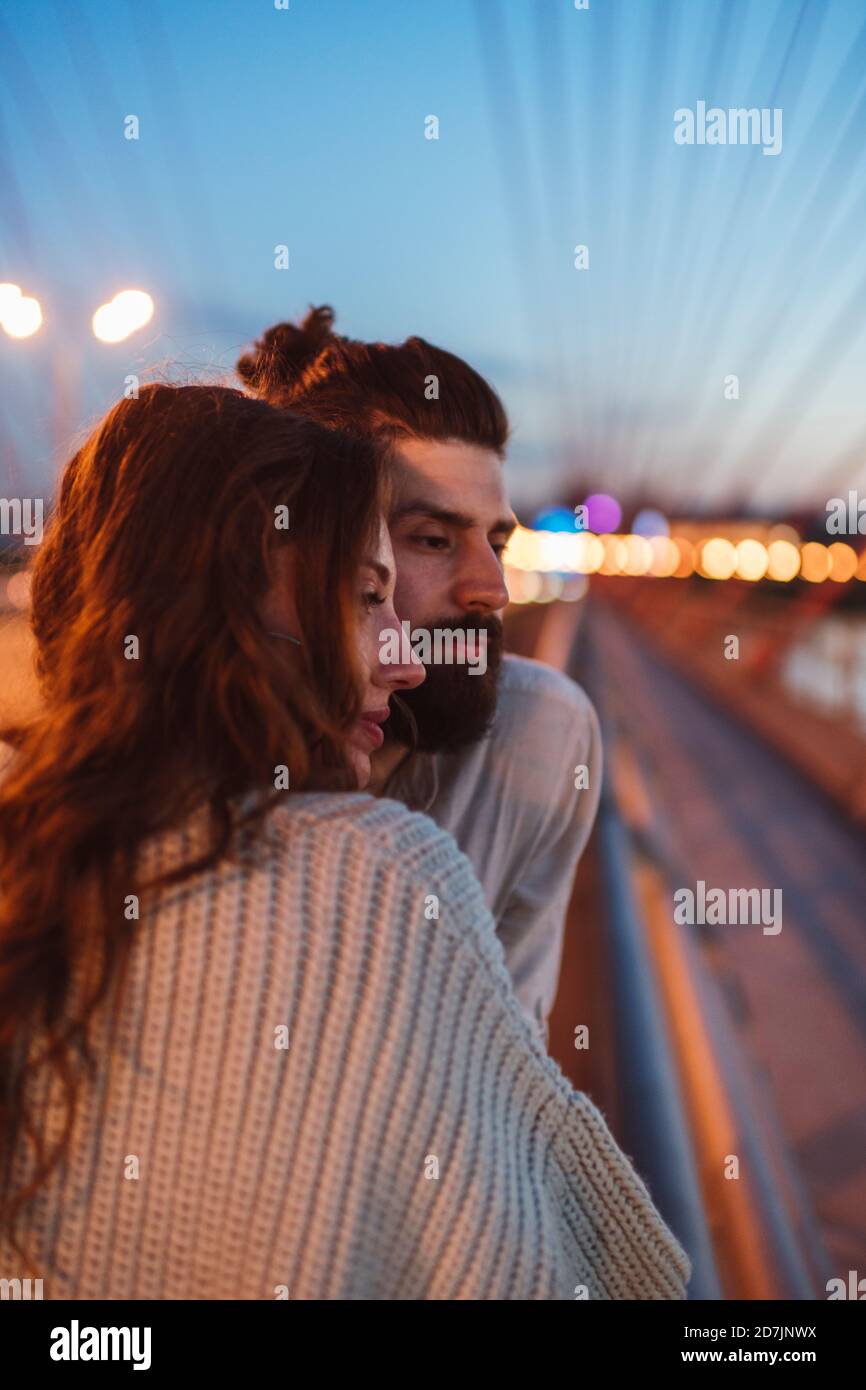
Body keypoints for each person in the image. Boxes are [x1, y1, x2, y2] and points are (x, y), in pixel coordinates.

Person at [0, 384, 689, 1299]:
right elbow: (593, 1277)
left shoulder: (35, 840)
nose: (405, 663)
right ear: (229, 606)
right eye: (369, 596)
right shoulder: (378, 878)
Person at [237, 308, 602, 1047]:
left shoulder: (541, 737)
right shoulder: (162, 773)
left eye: (497, 542)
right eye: (432, 540)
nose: (492, 589)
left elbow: (507, 1057)